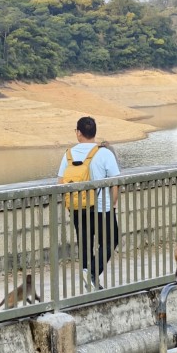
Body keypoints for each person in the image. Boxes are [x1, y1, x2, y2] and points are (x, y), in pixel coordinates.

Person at [57, 116, 120, 290]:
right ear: (94, 132)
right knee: (110, 240)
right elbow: (116, 183)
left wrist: (71, 203)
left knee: (85, 244)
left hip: (78, 208)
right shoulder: (105, 153)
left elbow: (60, 183)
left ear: (78, 133)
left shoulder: (68, 154)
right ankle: (92, 274)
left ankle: (89, 279)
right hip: (102, 208)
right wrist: (112, 204)